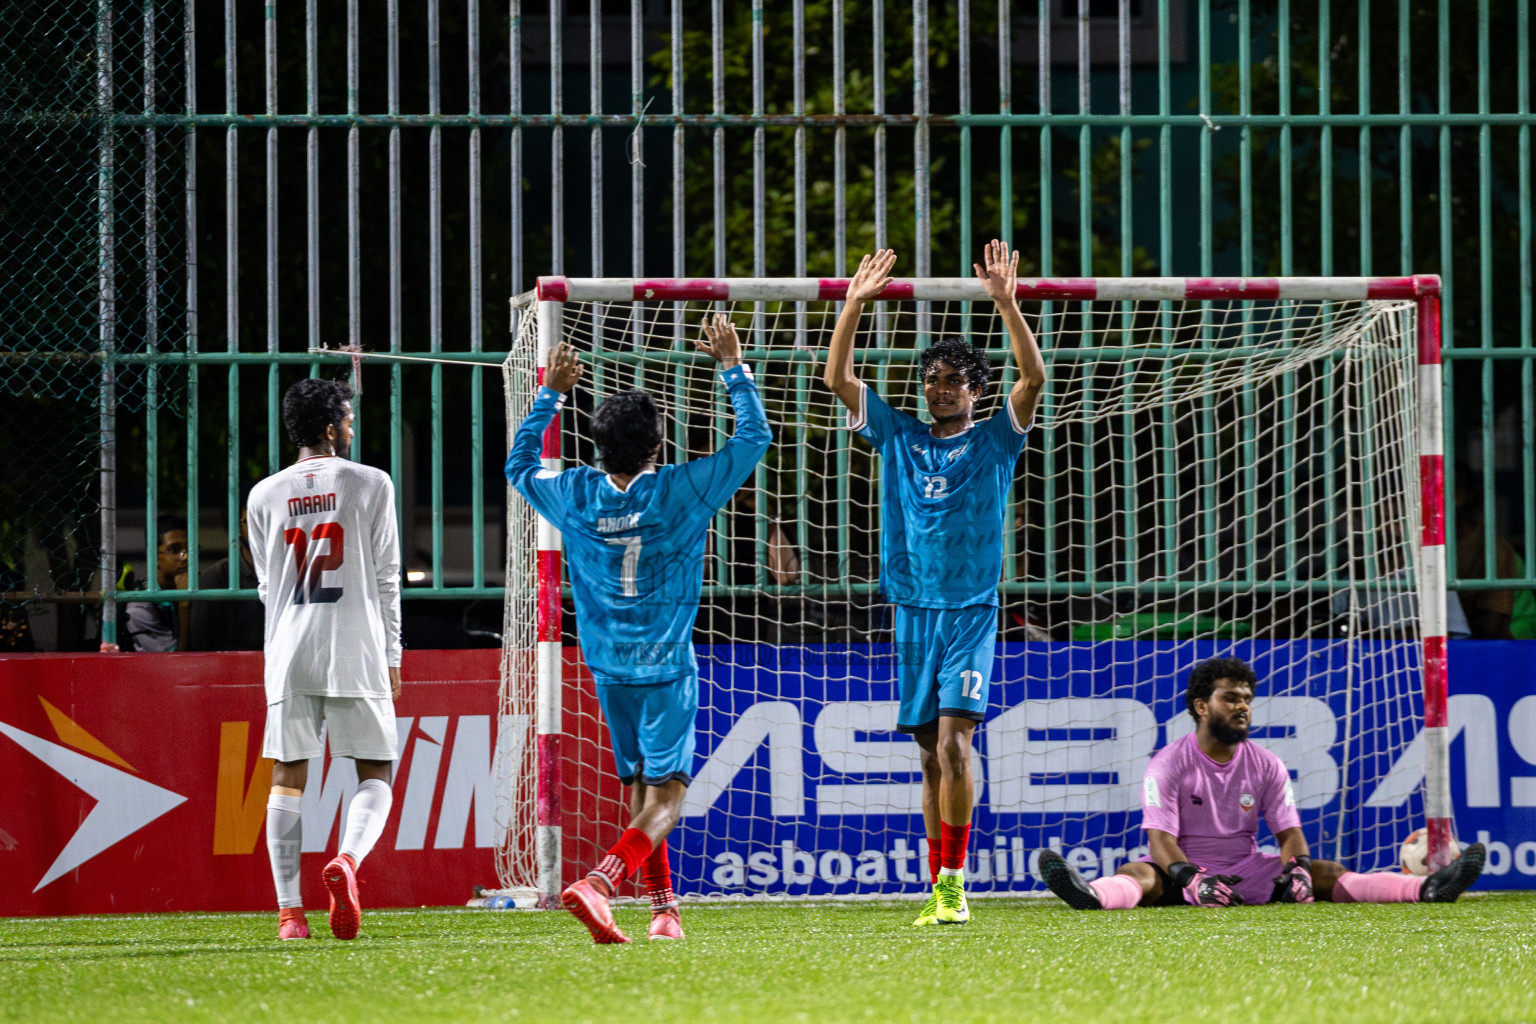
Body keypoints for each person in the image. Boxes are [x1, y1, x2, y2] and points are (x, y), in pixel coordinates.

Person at [505, 315, 770, 944]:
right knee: (669, 795)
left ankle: (661, 909)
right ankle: (600, 882)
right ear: (660, 441)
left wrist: (550, 392)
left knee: (639, 788)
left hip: (607, 664)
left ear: (596, 445)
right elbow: (754, 437)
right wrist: (732, 366)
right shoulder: (682, 490)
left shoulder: (572, 491)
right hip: (665, 666)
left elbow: (519, 466)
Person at [822, 241, 1046, 926]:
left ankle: (955, 888)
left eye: (953, 379)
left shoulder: (996, 440)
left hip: (971, 612)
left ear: (976, 391)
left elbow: (1033, 379)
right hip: (912, 612)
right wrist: (854, 306)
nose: (939, 387)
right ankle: (938, 888)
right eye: (932, 378)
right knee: (927, 756)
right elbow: (837, 378)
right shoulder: (899, 435)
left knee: (954, 744)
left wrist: (1007, 304)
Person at [1038, 656, 1486, 910]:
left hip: (1248, 869)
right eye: (1230, 698)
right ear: (1200, 705)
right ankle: (1090, 896)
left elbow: (1289, 833)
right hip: (1184, 872)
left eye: (1247, 699)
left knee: (1326, 872)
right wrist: (1192, 880)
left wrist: (1296, 871)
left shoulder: (1267, 763)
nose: (1243, 707)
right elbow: (1159, 840)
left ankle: (1426, 889)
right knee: (1136, 873)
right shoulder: (1167, 762)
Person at [246, 378, 403, 941]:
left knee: (287, 778)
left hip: (288, 648)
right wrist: (393, 652)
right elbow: (386, 578)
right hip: (354, 643)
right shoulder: (369, 483)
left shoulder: (263, 494)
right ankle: (347, 861)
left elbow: (268, 586)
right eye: (349, 417)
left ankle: (290, 915)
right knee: (376, 769)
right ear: (332, 427)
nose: (353, 426)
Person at [187, 507, 266, 651]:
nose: (262, 527)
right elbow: (203, 648)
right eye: (252, 521)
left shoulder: (293, 572)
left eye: (267, 519)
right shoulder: (214, 579)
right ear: (236, 526)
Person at [120, 515, 189, 651]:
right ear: (153, 556)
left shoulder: (201, 585)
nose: (185, 556)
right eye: (175, 550)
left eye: (190, 548)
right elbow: (175, 663)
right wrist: (184, 605)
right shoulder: (140, 606)